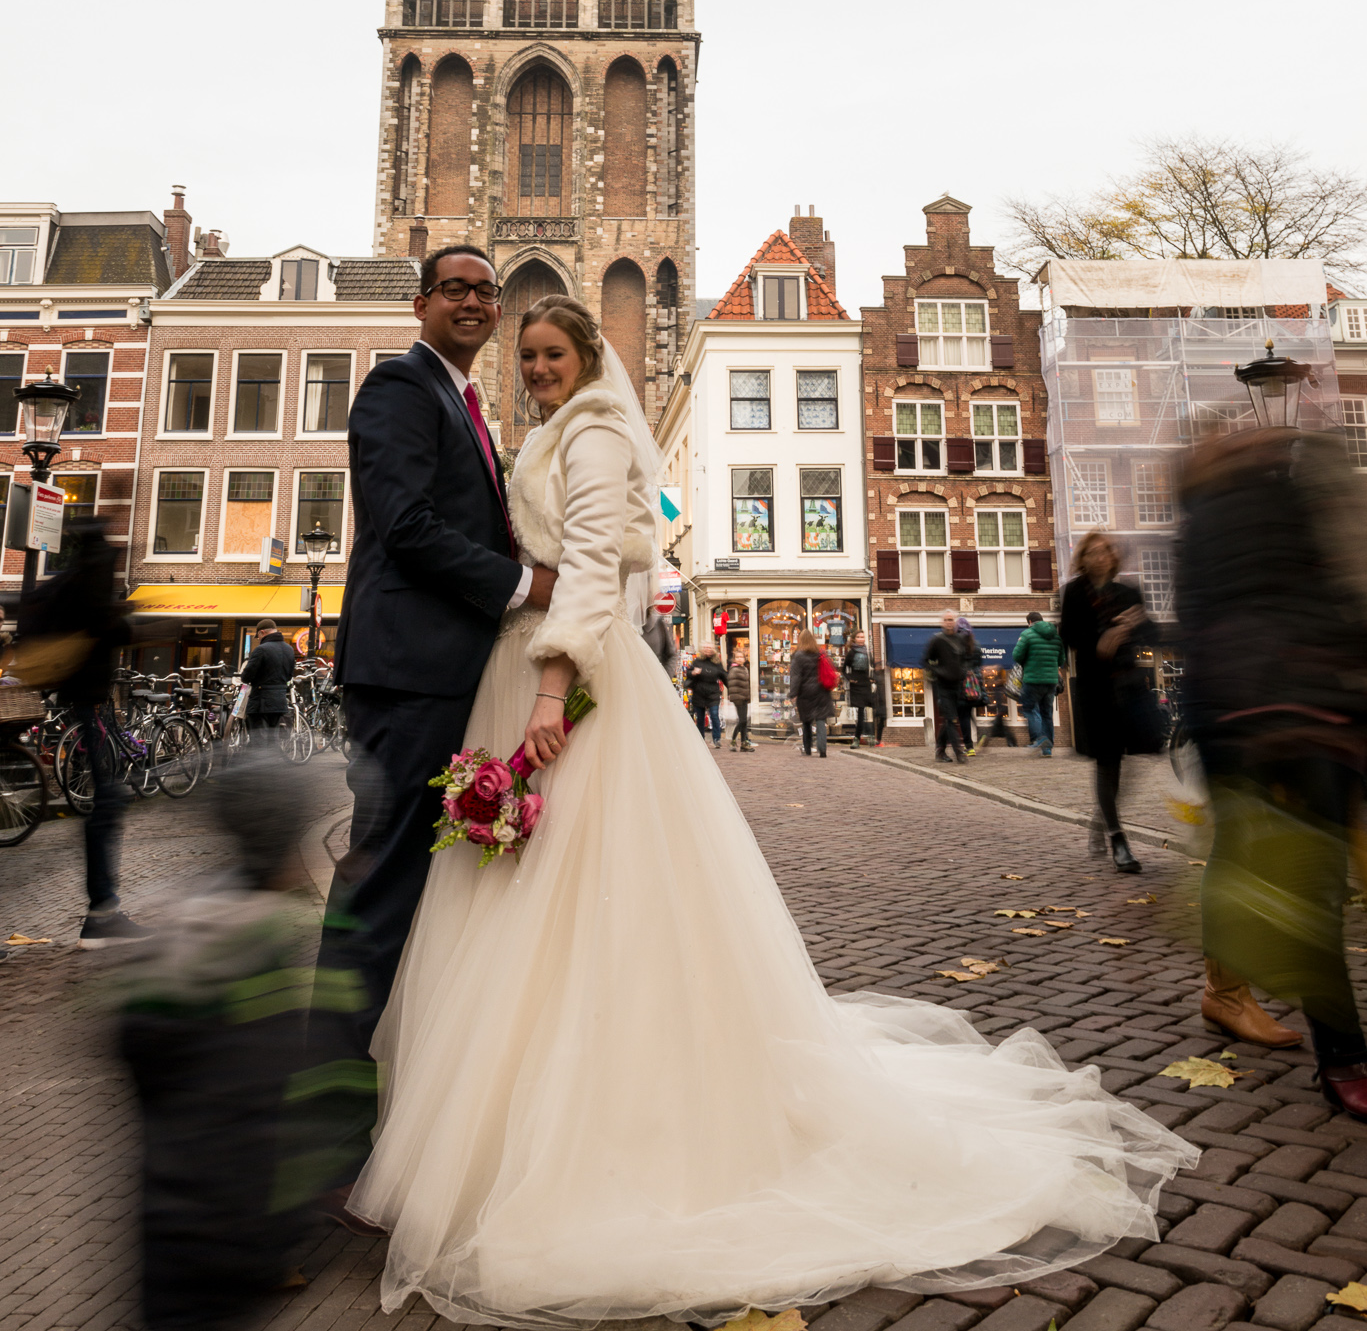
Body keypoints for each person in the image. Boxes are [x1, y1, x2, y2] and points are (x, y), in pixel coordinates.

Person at [346, 292, 1194, 1324]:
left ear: (586, 356)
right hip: (526, 669)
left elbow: (581, 579)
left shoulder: (600, 432)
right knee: (548, 882)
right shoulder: (563, 428)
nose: (535, 366)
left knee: (574, 882)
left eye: (551, 351)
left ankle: (584, 1117)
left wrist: (550, 689)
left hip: (561, 680)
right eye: (526, 353)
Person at [315, 245, 557, 1138]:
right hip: (407, 675)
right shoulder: (398, 388)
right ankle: (324, 1141)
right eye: (455, 288)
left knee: (420, 892)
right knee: (377, 896)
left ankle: (397, 1111)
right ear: (420, 303)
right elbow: (408, 527)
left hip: (446, 673)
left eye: (485, 292)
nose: (474, 302)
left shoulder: (464, 402)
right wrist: (528, 586)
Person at [116, 752, 336, 1331]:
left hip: (166, 1221)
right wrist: (280, 1230)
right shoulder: (254, 955)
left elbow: (137, 1043)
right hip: (220, 1236)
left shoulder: (190, 923)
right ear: (285, 844)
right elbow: (260, 1112)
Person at [1178, 428, 1365, 1073]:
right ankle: (1331, 1050)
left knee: (1287, 871)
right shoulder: (1226, 519)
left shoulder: (1268, 504)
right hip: (1268, 716)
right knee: (1294, 876)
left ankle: (1244, 999)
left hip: (1291, 710)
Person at [14, 521, 139, 947]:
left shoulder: (67, 578)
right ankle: (102, 913)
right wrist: (123, 618)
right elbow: (106, 628)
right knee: (108, 803)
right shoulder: (92, 577)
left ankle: (103, 909)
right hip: (90, 702)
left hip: (81, 698)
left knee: (108, 801)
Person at [1059, 531, 1156, 875]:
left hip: (1128, 687)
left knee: (1134, 762)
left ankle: (1102, 817)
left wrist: (1136, 624)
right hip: (1095, 691)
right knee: (1107, 762)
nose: (1102, 556)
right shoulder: (1073, 593)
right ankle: (1117, 837)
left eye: (1107, 550)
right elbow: (1069, 636)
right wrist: (1103, 639)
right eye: (1094, 551)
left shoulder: (1128, 592)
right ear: (1083, 558)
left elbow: (1152, 635)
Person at [1014, 610, 1063, 757]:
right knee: (1047, 713)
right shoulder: (1056, 636)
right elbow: (1061, 661)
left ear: (1029, 622)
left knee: (1029, 709)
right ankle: (1047, 748)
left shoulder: (1027, 635)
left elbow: (1017, 655)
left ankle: (1039, 738)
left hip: (1033, 679)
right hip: (1051, 681)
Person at [239, 623, 296, 743]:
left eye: (258, 636)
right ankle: (272, 760)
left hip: (261, 701)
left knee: (258, 740)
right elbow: (289, 675)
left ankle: (261, 761)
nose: (259, 639)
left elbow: (246, 676)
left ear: (262, 632)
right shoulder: (289, 649)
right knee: (273, 739)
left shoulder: (261, 649)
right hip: (279, 701)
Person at [924, 612, 968, 762]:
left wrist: (963, 672)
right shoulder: (937, 640)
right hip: (942, 685)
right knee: (951, 718)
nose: (949, 623)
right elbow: (925, 660)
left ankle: (940, 751)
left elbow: (964, 660)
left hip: (957, 684)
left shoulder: (959, 639)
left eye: (951, 620)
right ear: (942, 623)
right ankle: (959, 752)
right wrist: (937, 672)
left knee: (950, 719)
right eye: (946, 620)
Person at [789, 628, 834, 757]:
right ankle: (823, 749)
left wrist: (793, 693)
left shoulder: (798, 655)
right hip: (822, 691)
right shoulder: (820, 653)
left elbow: (796, 676)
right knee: (821, 720)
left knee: (806, 721)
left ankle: (808, 748)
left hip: (805, 693)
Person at [685, 645, 727, 747]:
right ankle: (701, 739)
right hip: (699, 693)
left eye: (709, 647)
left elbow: (724, 676)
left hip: (712, 693)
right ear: (702, 650)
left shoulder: (717, 663)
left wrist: (732, 689)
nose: (707, 649)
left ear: (713, 650)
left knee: (714, 715)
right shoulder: (697, 661)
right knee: (700, 718)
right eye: (705, 647)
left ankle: (716, 739)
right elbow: (688, 673)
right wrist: (693, 672)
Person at [842, 630, 876, 746]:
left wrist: (872, 678)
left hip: (866, 683)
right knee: (861, 712)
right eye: (859, 637)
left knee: (874, 708)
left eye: (863, 637)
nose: (861, 639)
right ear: (854, 639)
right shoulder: (851, 653)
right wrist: (850, 678)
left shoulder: (868, 652)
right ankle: (857, 738)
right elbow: (844, 670)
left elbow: (872, 666)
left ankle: (872, 736)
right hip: (856, 685)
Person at [955, 617, 984, 754]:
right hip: (973, 685)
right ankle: (979, 733)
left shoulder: (956, 644)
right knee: (969, 712)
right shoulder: (976, 645)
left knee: (963, 716)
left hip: (961, 685)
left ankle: (969, 746)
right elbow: (979, 664)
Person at [727, 647, 754, 750]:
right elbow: (733, 685)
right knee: (742, 720)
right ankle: (734, 740)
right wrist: (737, 696)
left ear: (744, 658)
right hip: (738, 698)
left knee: (744, 721)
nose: (739, 659)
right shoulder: (734, 670)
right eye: (737, 657)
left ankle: (743, 743)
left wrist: (747, 696)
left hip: (744, 697)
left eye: (741, 657)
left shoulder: (744, 669)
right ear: (734, 659)